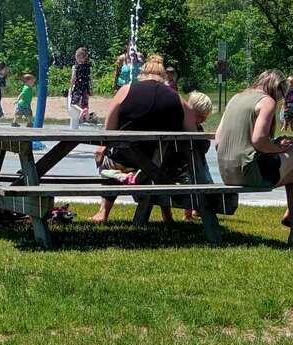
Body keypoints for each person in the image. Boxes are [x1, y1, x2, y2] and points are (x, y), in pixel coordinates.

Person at [215, 69, 293, 246]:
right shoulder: (266, 102)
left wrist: (271, 147)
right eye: (280, 96)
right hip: (248, 172)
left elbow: (218, 140)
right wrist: (279, 147)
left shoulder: (235, 98)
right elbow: (258, 140)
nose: (278, 100)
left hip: (226, 172)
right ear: (277, 89)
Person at [90, 55, 196, 224]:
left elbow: (108, 131)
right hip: (163, 167)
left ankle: (103, 212)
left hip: (124, 164)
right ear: (163, 77)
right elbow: (192, 136)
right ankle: (166, 215)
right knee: (159, 166)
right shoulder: (178, 99)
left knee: (108, 161)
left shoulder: (125, 90)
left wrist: (101, 148)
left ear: (142, 74)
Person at [182, 90, 214, 221]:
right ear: (190, 111)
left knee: (208, 183)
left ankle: (197, 209)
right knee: (196, 183)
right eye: (200, 116)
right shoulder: (184, 126)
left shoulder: (199, 127)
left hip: (200, 163)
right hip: (188, 165)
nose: (203, 120)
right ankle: (188, 213)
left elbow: (203, 149)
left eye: (205, 117)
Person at [69, 48, 92, 127]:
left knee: (73, 104)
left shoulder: (75, 67)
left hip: (78, 87)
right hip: (86, 88)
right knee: (85, 103)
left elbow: (73, 78)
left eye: (76, 56)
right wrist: (91, 88)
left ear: (79, 57)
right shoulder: (89, 67)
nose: (76, 57)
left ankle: (81, 111)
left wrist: (71, 88)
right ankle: (86, 117)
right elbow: (91, 79)